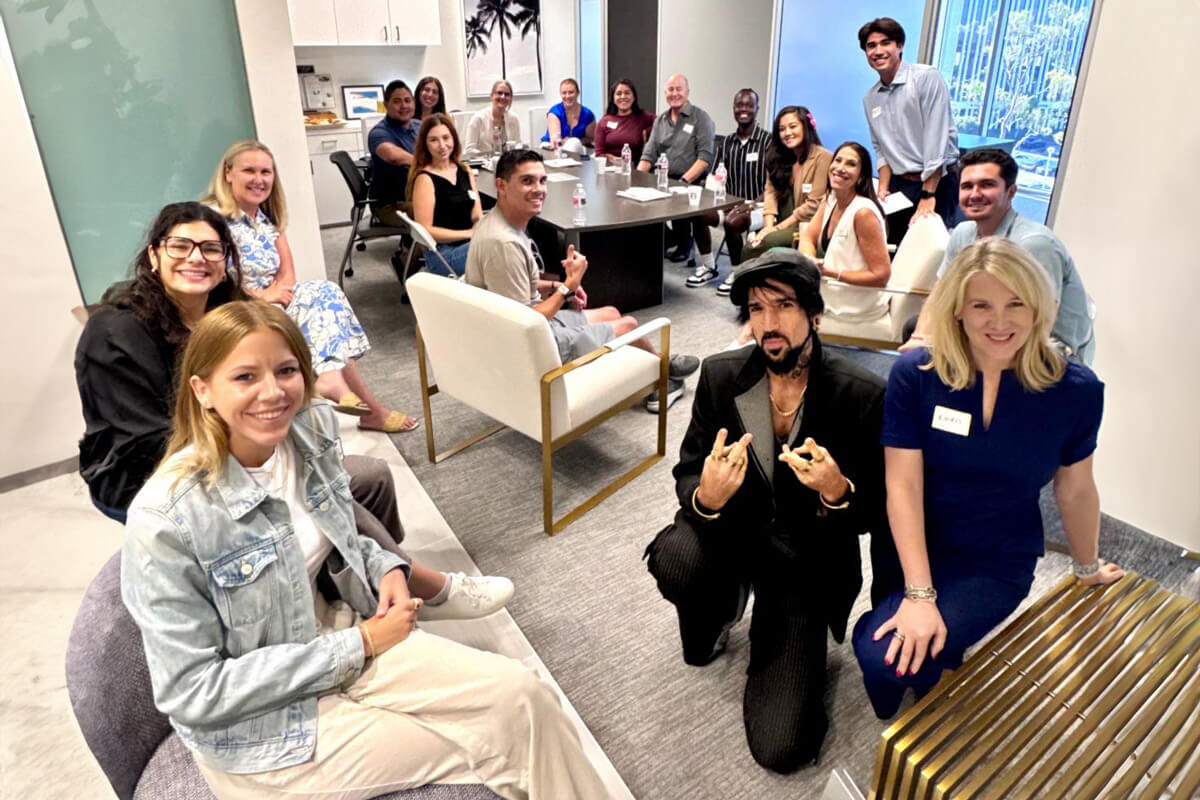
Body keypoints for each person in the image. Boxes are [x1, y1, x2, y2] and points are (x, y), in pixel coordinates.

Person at [121, 301, 608, 800]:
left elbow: (340, 539)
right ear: (202, 390)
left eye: (286, 370)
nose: (273, 392)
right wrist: (361, 645)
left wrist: (385, 567)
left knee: (525, 696)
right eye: (245, 377)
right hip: (263, 732)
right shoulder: (165, 520)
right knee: (503, 742)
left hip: (332, 631)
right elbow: (192, 691)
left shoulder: (307, 430)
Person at [75, 202, 511, 619]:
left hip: (237, 452)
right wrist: (273, 457)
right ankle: (419, 586)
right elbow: (150, 446)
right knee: (320, 488)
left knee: (366, 477)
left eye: (211, 248)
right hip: (151, 475)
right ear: (154, 254)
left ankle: (374, 576)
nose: (197, 258)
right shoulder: (115, 333)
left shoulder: (224, 311)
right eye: (180, 246)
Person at [851, 237, 1124, 721]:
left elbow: (1075, 488)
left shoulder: (1076, 391)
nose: (1000, 322)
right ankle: (923, 657)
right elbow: (903, 486)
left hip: (996, 559)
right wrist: (918, 594)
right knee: (890, 663)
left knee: (891, 657)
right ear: (958, 309)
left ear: (1039, 307)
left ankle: (932, 657)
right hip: (913, 546)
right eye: (982, 305)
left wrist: (1086, 568)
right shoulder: (917, 374)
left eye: (1016, 303)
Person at [644, 250, 887, 772]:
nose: (768, 324)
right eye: (756, 309)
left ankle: (782, 634)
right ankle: (723, 604)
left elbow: (877, 512)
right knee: (677, 561)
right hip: (728, 538)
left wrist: (837, 490)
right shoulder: (721, 376)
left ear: (815, 315)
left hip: (802, 566)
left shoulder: (860, 395)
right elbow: (687, 470)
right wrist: (706, 495)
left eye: (783, 306)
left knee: (783, 747)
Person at [203, 140, 418, 433]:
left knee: (326, 295)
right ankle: (365, 405)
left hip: (272, 303)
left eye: (266, 172)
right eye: (249, 171)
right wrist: (263, 297)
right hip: (234, 308)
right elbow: (214, 280)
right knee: (324, 313)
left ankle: (338, 384)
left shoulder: (265, 217)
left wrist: (277, 300)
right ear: (228, 173)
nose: (259, 179)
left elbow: (287, 272)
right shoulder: (211, 219)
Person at [465, 149, 699, 411]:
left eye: (542, 181)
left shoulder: (496, 223)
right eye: (527, 181)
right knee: (629, 325)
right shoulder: (504, 243)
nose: (539, 189)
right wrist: (568, 286)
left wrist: (555, 286)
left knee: (612, 312)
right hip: (532, 344)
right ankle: (665, 378)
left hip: (526, 328)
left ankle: (658, 368)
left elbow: (516, 286)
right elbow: (528, 320)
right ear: (501, 186)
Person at [900, 148, 1095, 363]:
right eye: (967, 186)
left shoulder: (1034, 244)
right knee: (915, 328)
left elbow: (1040, 321)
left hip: (1048, 348)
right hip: (996, 328)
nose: (974, 194)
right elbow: (941, 292)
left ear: (1011, 192)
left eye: (986, 185)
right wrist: (921, 337)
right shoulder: (964, 234)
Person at [859, 17, 959, 243]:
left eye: (886, 43)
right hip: (900, 184)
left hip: (937, 182)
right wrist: (883, 189)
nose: (878, 51)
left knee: (927, 253)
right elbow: (881, 148)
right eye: (871, 46)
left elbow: (937, 139)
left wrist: (928, 194)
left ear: (900, 46)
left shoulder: (925, 78)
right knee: (892, 246)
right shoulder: (870, 98)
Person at [735, 105, 832, 287]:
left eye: (792, 126)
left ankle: (748, 287)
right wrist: (768, 226)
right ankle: (752, 290)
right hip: (781, 220)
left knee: (759, 245)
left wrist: (776, 230)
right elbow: (770, 193)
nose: (787, 133)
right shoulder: (777, 156)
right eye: (781, 129)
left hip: (806, 224)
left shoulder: (823, 157)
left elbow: (814, 204)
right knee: (755, 243)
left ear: (806, 126)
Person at [688, 88, 773, 290]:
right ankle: (709, 267)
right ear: (733, 109)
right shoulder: (726, 142)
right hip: (730, 203)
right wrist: (719, 200)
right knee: (698, 214)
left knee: (733, 222)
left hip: (760, 206)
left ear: (756, 109)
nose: (743, 109)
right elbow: (715, 177)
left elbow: (773, 186)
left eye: (748, 105)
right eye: (739, 105)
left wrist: (750, 204)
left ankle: (737, 273)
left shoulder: (768, 141)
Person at [797, 141, 891, 324]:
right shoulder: (831, 198)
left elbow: (881, 276)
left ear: (861, 176)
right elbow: (808, 236)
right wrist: (811, 261)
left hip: (853, 301)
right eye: (837, 160)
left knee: (780, 296)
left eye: (851, 164)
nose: (840, 168)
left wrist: (831, 273)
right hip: (831, 286)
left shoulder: (863, 213)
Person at [637, 73, 717, 272]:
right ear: (665, 93)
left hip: (690, 180)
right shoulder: (661, 120)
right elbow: (650, 152)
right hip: (662, 177)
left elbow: (705, 157)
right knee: (636, 201)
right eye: (670, 90)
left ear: (687, 92)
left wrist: (683, 180)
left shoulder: (701, 118)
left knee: (676, 197)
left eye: (678, 89)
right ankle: (666, 239)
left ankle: (684, 242)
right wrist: (635, 178)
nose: (675, 93)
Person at [407, 112, 483, 277]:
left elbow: (477, 215)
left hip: (471, 244)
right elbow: (425, 230)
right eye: (434, 140)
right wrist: (470, 234)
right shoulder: (424, 179)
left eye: (446, 138)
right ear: (425, 145)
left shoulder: (464, 170)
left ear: (454, 139)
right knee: (496, 246)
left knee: (513, 232)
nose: (442, 145)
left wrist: (482, 230)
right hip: (443, 254)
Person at [367, 79, 420, 225]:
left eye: (407, 100)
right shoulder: (379, 132)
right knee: (437, 210)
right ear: (386, 105)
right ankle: (419, 247)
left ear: (414, 102)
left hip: (417, 194)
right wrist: (427, 163)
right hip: (390, 205)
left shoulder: (419, 126)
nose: (404, 106)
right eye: (397, 101)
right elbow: (393, 156)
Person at [593, 77, 656, 165]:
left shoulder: (643, 117)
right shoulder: (603, 122)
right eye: (618, 94)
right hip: (609, 169)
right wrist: (615, 161)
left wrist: (648, 133)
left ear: (633, 97)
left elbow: (661, 124)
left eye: (627, 93)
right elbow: (599, 154)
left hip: (634, 169)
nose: (623, 97)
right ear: (613, 99)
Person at [464, 79, 521, 159]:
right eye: (499, 93)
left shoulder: (514, 119)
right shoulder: (478, 119)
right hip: (484, 164)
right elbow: (469, 150)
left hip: (508, 164)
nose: (503, 97)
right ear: (492, 96)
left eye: (507, 94)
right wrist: (487, 156)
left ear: (511, 98)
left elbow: (517, 144)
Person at [541, 78, 596, 148]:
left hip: (578, 148)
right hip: (553, 147)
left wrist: (575, 141)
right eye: (564, 93)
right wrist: (561, 141)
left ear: (578, 93)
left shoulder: (588, 114)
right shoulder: (555, 112)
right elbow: (555, 138)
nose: (567, 96)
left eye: (571, 92)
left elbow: (591, 138)